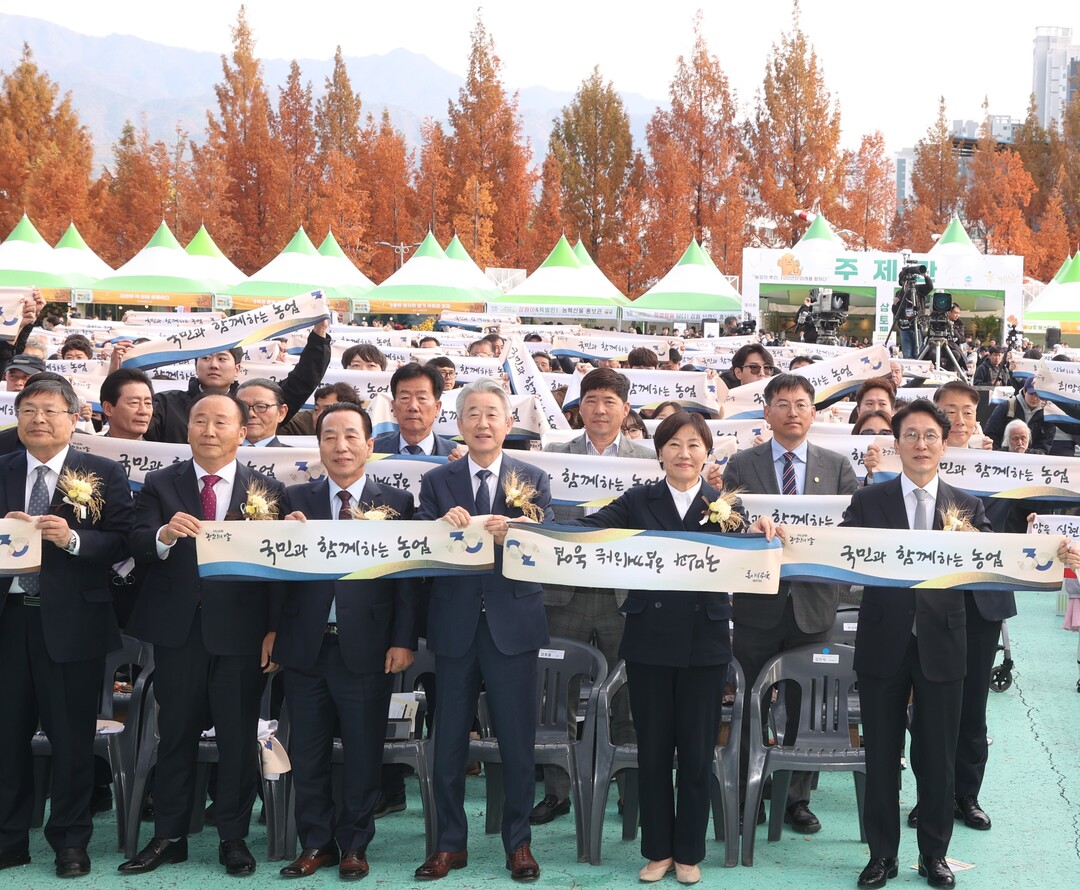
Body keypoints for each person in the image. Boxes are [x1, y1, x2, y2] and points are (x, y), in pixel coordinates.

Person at [568, 411, 770, 885]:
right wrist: (531, 529)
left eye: (694, 445)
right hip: (648, 645)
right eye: (674, 445)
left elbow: (755, 558)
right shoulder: (638, 500)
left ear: (707, 453)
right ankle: (657, 850)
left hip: (705, 645)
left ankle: (688, 852)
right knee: (654, 751)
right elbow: (590, 530)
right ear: (659, 453)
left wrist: (765, 533)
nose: (684, 453)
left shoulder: (726, 504)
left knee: (697, 753)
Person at [120, 394, 287, 877]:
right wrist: (165, 535)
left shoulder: (268, 488)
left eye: (221, 422)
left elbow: (281, 567)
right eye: (199, 421)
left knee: (237, 738)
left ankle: (233, 836)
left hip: (243, 633)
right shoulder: (160, 483)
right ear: (186, 429)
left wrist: (275, 627)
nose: (208, 430)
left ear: (242, 431)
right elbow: (136, 541)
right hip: (179, 631)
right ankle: (169, 834)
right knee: (176, 734)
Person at [843, 400, 992, 890]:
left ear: (944, 443)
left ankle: (934, 855)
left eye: (930, 435)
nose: (921, 444)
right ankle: (880, 856)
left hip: (944, 647)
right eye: (911, 435)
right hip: (883, 644)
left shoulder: (967, 506)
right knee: (880, 755)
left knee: (937, 757)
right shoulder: (869, 502)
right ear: (896, 444)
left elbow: (996, 561)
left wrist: (1050, 552)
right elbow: (837, 553)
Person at [413, 379, 552, 883]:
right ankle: (450, 845)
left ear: (509, 422)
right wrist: (440, 527)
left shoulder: (532, 477)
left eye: (492, 413)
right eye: (472, 413)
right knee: (448, 742)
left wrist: (517, 533)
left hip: (513, 627)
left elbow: (549, 541)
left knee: (518, 743)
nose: (483, 422)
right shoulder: (437, 483)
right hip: (453, 627)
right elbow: (418, 550)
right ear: (459, 423)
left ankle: (519, 844)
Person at [273, 402, 419, 881]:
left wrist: (403, 639)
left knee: (362, 752)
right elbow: (270, 573)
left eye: (351, 436)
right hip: (305, 647)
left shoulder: (397, 503)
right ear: (318, 446)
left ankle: (355, 844)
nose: (341, 446)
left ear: (369, 445)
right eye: (330, 436)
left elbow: (406, 578)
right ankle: (315, 844)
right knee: (309, 752)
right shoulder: (293, 500)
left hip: (370, 647)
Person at [0, 376, 134, 879]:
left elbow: (123, 540)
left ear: (74, 418)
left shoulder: (100, 471)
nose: (39, 420)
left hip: (73, 623)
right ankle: (9, 837)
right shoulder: (2, 467)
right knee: (6, 735)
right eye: (29, 409)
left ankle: (71, 841)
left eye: (52, 411)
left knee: (73, 739)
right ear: (17, 416)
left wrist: (74, 540)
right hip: (8, 619)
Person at [721, 373, 858, 833]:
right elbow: (729, 525)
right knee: (751, 700)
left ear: (814, 412)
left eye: (801, 404)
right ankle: (748, 791)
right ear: (767, 411)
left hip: (814, 604)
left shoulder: (837, 467)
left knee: (807, 704)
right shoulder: (742, 464)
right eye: (782, 403)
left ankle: (795, 798)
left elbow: (850, 533)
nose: (792, 412)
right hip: (758, 603)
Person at [531, 369, 653, 825]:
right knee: (554, 695)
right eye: (591, 400)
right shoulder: (550, 458)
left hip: (625, 594)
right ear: (578, 407)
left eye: (609, 401)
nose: (600, 409)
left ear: (625, 409)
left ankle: (629, 792)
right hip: (564, 593)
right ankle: (558, 792)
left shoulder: (649, 460)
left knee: (629, 696)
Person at [911, 381, 1012, 836]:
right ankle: (929, 795)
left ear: (977, 415)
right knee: (930, 705)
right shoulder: (918, 459)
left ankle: (966, 795)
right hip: (928, 601)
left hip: (981, 601)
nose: (959, 420)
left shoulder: (1006, 466)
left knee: (972, 705)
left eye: (967, 411)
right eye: (947, 412)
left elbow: (1024, 527)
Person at [141, 319, 330, 443]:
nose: (213, 365)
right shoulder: (167, 405)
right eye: (205, 358)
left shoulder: (252, 405)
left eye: (222, 358)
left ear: (237, 368)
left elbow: (300, 383)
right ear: (196, 365)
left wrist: (318, 337)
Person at [373, 363, 458, 457]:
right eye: (405, 398)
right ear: (394, 407)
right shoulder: (372, 451)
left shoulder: (457, 456)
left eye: (422, 398)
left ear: (437, 408)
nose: (413, 407)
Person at [981, 378, 1053, 452]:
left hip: (1032, 460)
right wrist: (1000, 453)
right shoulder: (1006, 407)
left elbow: (1045, 444)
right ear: (1025, 391)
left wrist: (1029, 454)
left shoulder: (1047, 414)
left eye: (1038, 395)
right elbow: (991, 434)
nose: (1034, 398)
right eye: (1031, 394)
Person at [277, 382, 360, 437]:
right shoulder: (297, 426)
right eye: (316, 409)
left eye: (328, 410)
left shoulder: (363, 431)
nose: (319, 416)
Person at [99, 369, 155, 440]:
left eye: (148, 403)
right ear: (108, 409)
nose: (144, 411)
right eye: (134, 403)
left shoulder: (161, 451)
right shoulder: (89, 449)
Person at [237, 378, 289, 447]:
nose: (250, 414)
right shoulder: (219, 456)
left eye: (261, 407)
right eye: (243, 407)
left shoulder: (294, 457)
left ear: (281, 413)